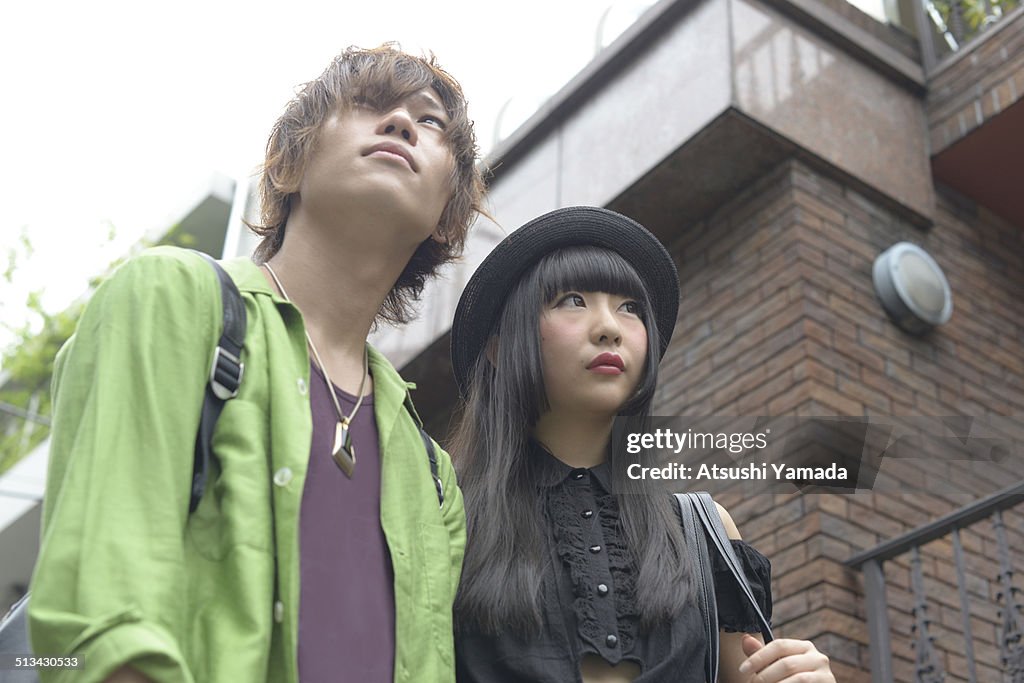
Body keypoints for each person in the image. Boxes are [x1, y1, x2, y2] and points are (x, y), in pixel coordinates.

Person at [29, 44, 483, 683]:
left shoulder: (433, 476)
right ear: (290, 164)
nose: (403, 124)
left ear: (446, 216)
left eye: (430, 122)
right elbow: (100, 620)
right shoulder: (174, 300)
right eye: (368, 105)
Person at [448, 206, 836, 682]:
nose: (609, 326)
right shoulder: (445, 512)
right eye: (573, 300)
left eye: (630, 307)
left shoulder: (704, 528)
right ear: (499, 345)